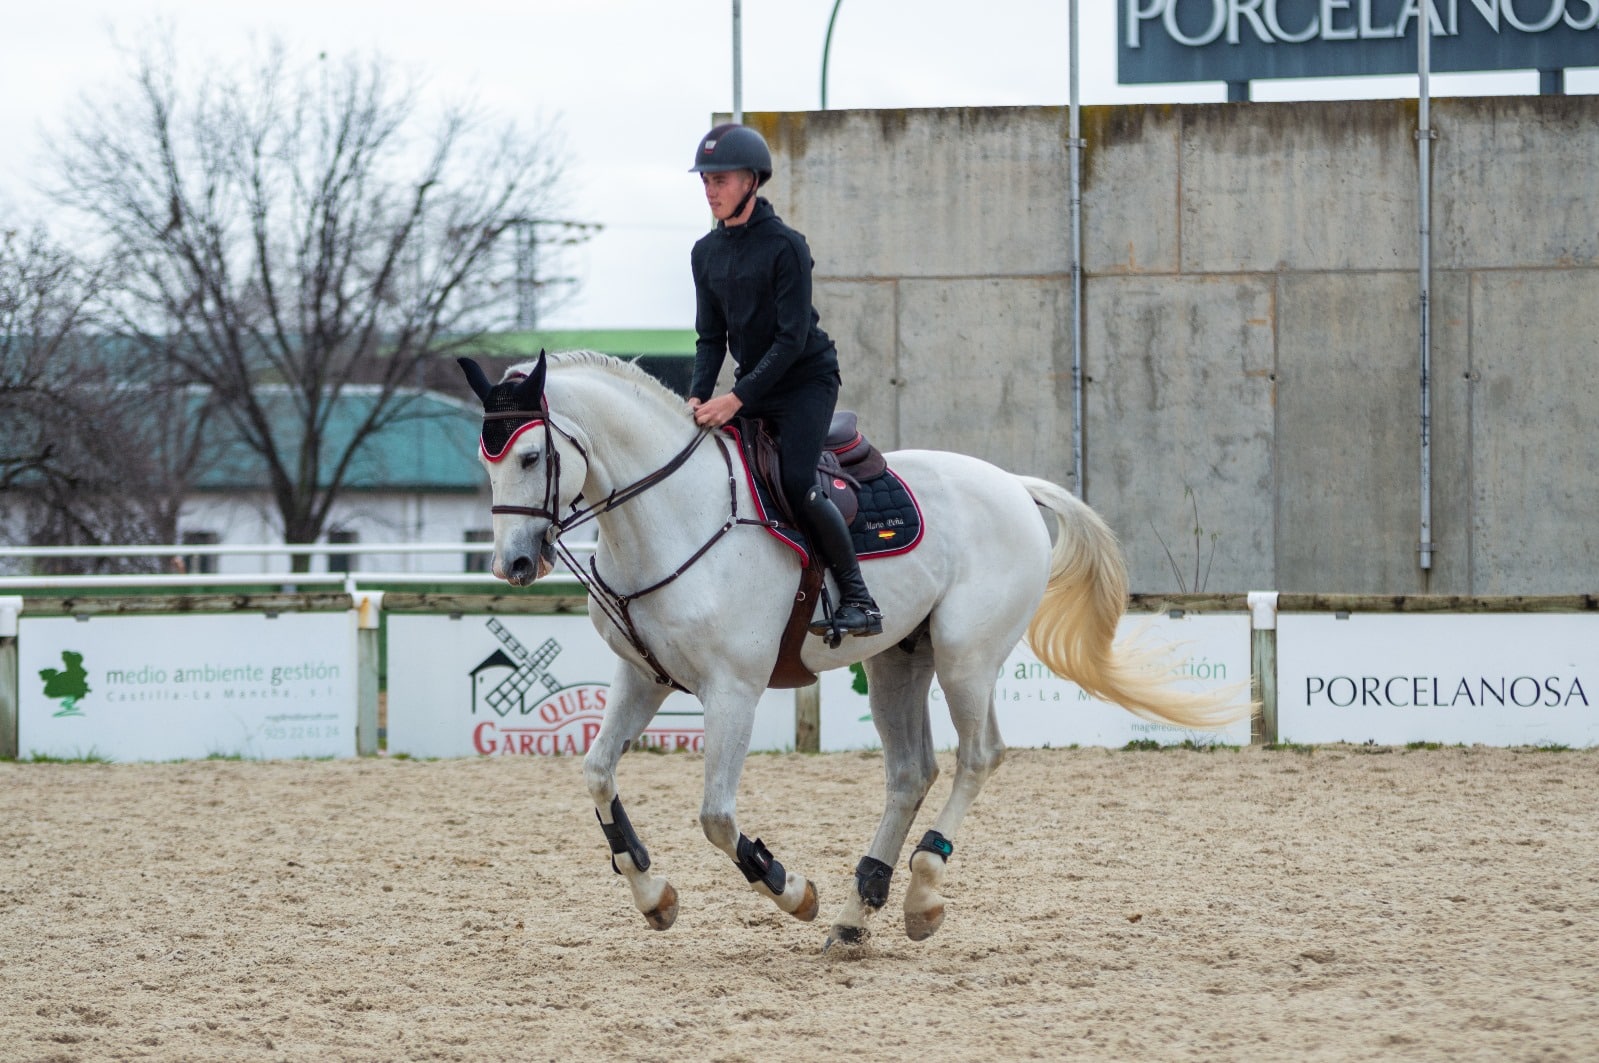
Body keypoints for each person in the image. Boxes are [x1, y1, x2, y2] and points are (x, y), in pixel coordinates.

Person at [685, 123, 883, 639]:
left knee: (795, 481)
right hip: (752, 384)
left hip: (804, 382)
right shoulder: (703, 253)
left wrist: (736, 398)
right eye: (704, 181)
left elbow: (792, 340)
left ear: (753, 180)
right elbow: (711, 339)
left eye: (720, 179)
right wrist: (698, 394)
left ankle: (859, 598)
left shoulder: (786, 247)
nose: (710, 190)